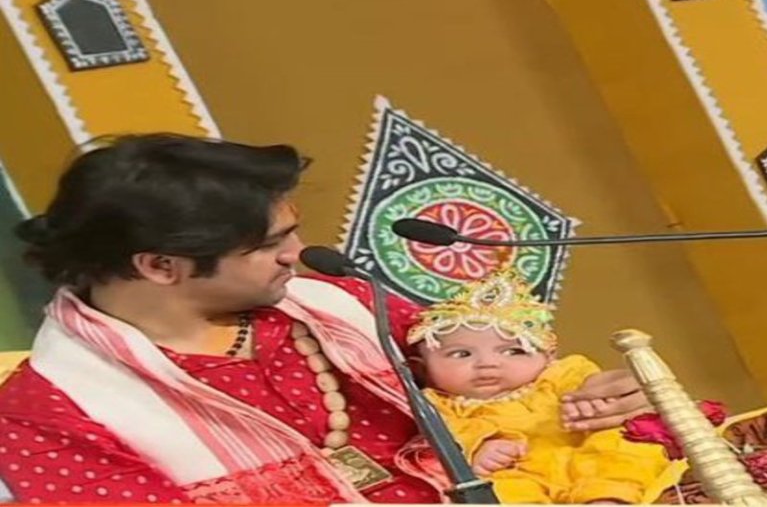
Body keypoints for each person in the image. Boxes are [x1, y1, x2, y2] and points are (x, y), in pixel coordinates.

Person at [0, 133, 652, 504]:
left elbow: (499, 383)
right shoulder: (49, 414)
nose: (296, 253)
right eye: (268, 245)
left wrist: (584, 399)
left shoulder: (336, 308)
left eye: (292, 231)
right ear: (161, 266)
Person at [406, 264, 667, 503]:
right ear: (421, 367)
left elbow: (593, 389)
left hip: (583, 453)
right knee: (491, 489)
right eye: (461, 354)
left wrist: (594, 403)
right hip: (517, 472)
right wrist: (479, 448)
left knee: (624, 441)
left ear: (548, 356)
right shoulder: (434, 404)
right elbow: (447, 436)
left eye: (513, 351)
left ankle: (608, 497)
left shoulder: (561, 373)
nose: (488, 363)